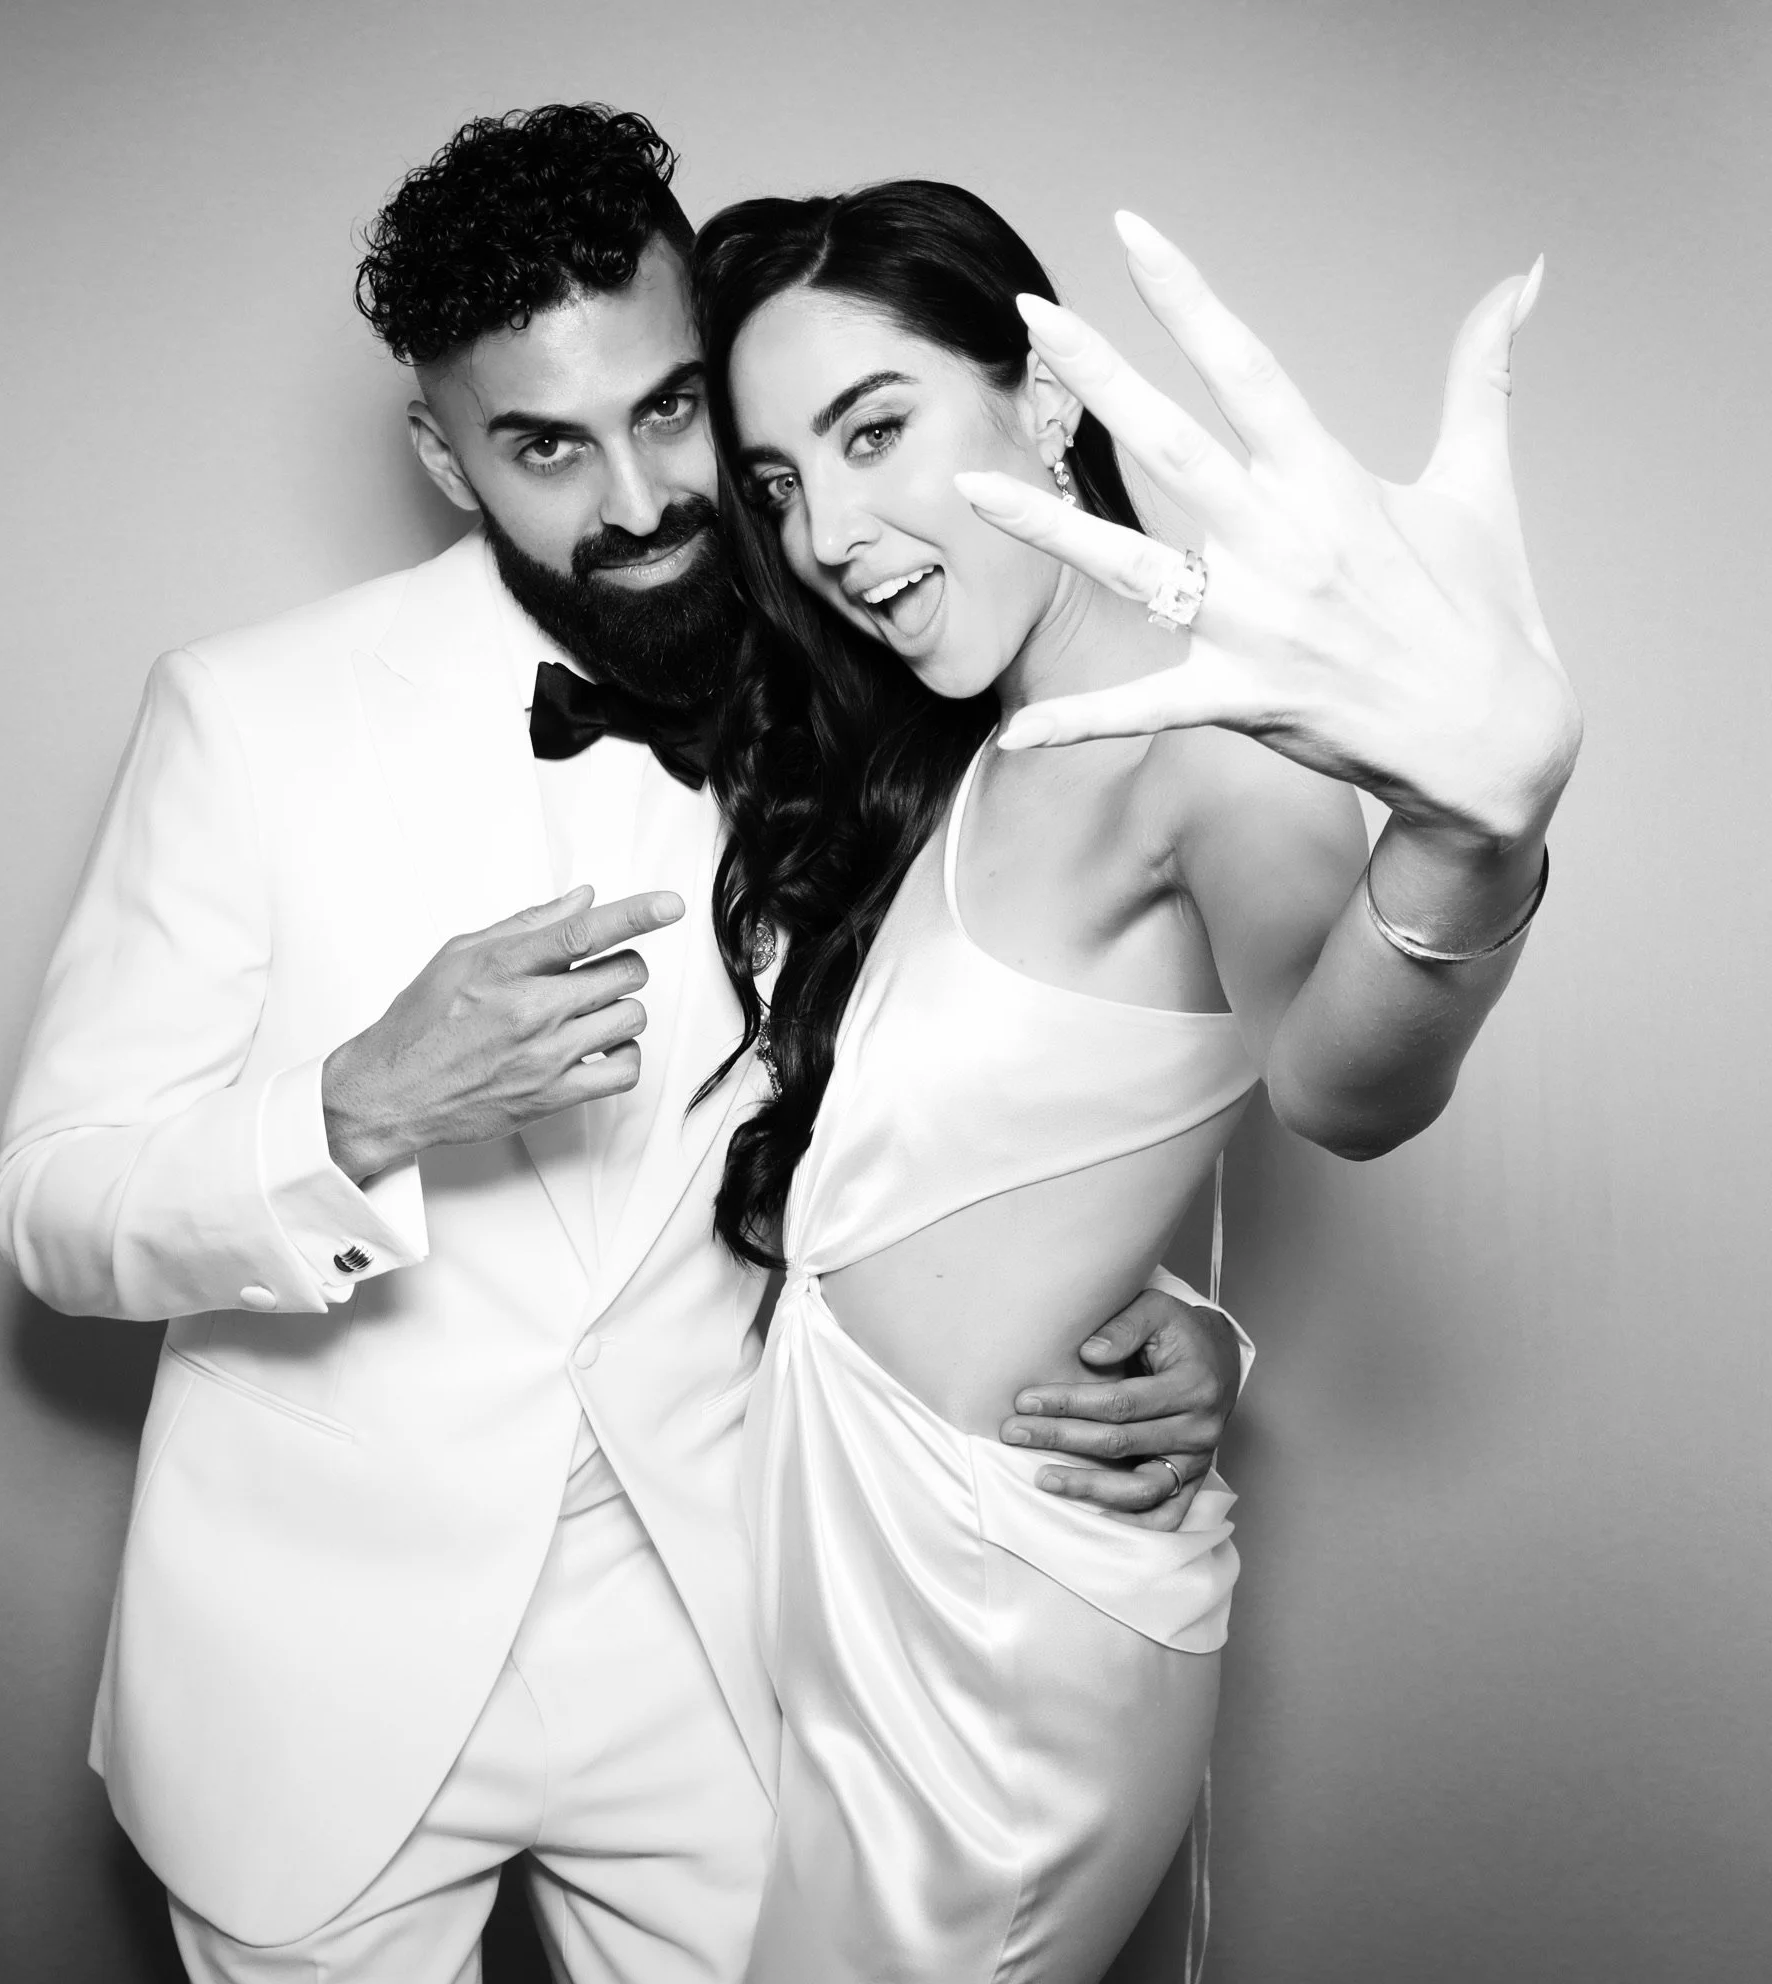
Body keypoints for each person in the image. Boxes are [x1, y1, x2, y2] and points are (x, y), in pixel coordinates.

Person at [0, 109, 1251, 1984]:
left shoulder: (891, 674)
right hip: (317, 1683)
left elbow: (1037, 1079)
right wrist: (355, 1108)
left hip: (736, 1641)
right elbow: (48, 1206)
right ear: (441, 452)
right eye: (546, 446)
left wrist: (1174, 1336)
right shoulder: (243, 718)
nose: (645, 496)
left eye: (674, 413)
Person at [690, 180, 1579, 1982]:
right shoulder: (974, 754)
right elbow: (1019, 1154)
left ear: (1046, 398)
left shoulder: (1203, 737)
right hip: (863, 1624)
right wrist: (1184, 1315)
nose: (831, 534)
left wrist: (1471, 841)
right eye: (782, 483)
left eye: (876, 432)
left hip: (997, 1659)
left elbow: (1341, 1087)